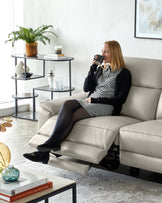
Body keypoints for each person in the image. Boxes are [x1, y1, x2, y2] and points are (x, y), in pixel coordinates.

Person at [23, 40, 132, 164]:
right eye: (102, 51)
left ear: (114, 53)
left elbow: (121, 99)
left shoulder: (124, 73)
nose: (103, 54)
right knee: (68, 104)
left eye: (106, 52)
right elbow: (87, 88)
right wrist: (93, 68)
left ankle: (46, 149)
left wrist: (97, 100)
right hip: (91, 101)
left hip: (107, 106)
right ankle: (49, 147)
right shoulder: (102, 69)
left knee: (73, 115)